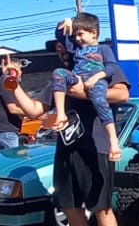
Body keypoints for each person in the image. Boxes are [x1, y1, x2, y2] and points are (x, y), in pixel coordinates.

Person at [2, 33, 130, 226]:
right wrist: (13, 84)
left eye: (66, 45)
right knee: (70, 205)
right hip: (67, 147)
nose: (62, 51)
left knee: (101, 207)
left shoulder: (102, 66)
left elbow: (122, 95)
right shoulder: (60, 77)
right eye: (58, 48)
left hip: (98, 148)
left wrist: (84, 91)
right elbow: (35, 110)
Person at [42, 14, 120, 161]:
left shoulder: (103, 49)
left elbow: (112, 66)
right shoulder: (76, 49)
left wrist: (96, 78)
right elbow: (61, 35)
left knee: (99, 101)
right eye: (75, 34)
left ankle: (113, 141)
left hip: (96, 80)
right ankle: (60, 114)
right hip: (78, 77)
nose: (77, 38)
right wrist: (66, 23)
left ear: (94, 33)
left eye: (80, 34)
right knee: (58, 73)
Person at [0, 70, 26, 150]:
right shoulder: (6, 83)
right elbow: (13, 109)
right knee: (14, 160)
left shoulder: (2, 82)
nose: (21, 72)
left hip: (6, 131)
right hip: (7, 132)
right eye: (19, 69)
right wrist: (32, 112)